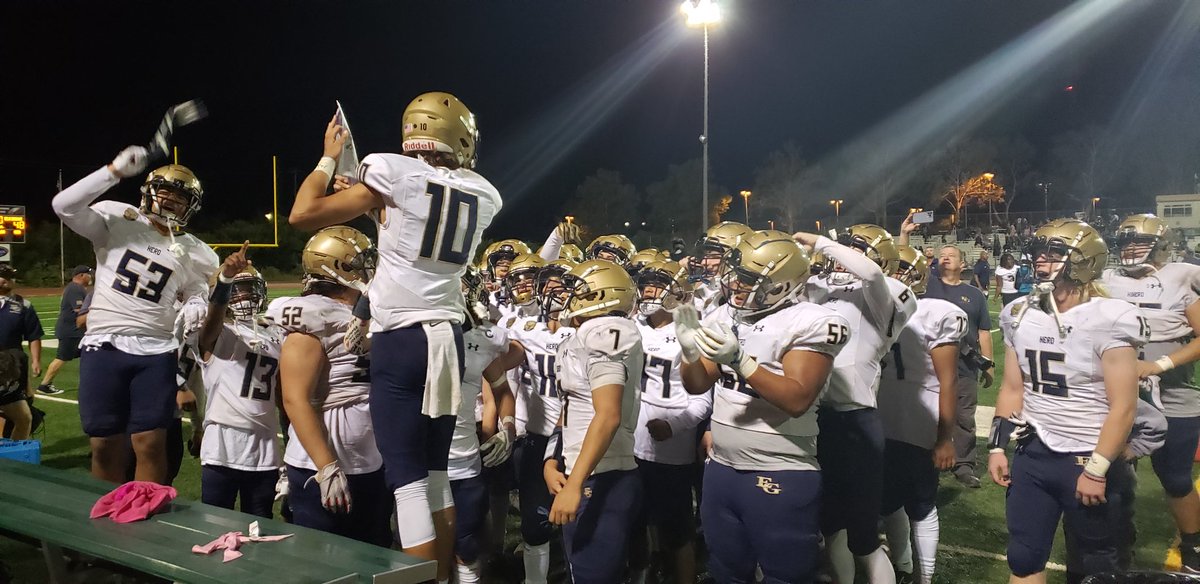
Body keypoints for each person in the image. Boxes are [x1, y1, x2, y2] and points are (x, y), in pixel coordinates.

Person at [289, 92, 501, 580]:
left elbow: (302, 213)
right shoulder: (483, 192)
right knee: (435, 478)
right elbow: (422, 224)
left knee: (406, 484)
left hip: (402, 339)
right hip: (446, 336)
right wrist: (378, 208)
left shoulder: (390, 172)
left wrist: (327, 156)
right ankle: (445, 577)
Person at [678, 231, 850, 583]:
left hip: (780, 470)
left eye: (748, 280)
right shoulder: (724, 314)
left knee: (786, 575)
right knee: (726, 572)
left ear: (781, 284)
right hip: (721, 470)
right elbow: (697, 384)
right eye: (736, 275)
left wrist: (742, 360)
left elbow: (797, 399)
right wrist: (690, 353)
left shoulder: (811, 321)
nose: (736, 285)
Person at [989, 219, 1145, 581]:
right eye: (1040, 252)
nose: (1042, 260)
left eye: (1055, 252)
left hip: (1088, 455)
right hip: (1034, 451)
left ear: (1085, 261)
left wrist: (1096, 469)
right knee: (1023, 555)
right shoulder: (1020, 313)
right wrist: (998, 447)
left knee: (1096, 565)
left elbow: (1123, 406)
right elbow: (1013, 387)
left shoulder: (1110, 316)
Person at [53, 148, 219, 485]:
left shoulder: (197, 251)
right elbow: (63, 205)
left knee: (151, 443)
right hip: (105, 343)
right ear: (149, 191)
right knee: (103, 444)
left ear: (192, 207)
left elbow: (198, 287)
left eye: (181, 197)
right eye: (166, 191)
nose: (172, 200)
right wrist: (112, 170)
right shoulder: (118, 219)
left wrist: (198, 301)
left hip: (157, 350)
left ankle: (146, 512)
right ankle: (105, 513)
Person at [800, 225, 916, 584]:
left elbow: (871, 272)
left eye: (854, 249)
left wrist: (822, 242)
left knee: (864, 536)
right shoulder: (826, 289)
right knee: (831, 525)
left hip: (858, 422)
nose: (842, 255)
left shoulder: (891, 294)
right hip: (819, 419)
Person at [274, 226, 391, 546]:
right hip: (323, 466)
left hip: (370, 460)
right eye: (362, 261)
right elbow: (295, 399)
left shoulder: (364, 316)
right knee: (321, 561)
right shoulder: (313, 316)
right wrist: (326, 467)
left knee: (375, 556)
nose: (371, 268)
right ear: (339, 267)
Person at [1102, 214, 1200, 572]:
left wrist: (1159, 366)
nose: (1130, 249)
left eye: (1139, 241)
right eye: (1125, 242)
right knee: (1115, 474)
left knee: (1175, 478)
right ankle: (1119, 545)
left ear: (1161, 243)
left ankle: (1194, 548)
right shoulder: (1107, 279)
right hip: (1117, 396)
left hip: (1173, 396)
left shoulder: (1181, 276)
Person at [542, 259, 645, 584]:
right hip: (583, 471)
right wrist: (551, 459)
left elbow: (608, 413)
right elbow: (572, 408)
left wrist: (575, 485)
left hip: (601, 477)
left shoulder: (606, 331)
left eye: (576, 291)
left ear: (603, 296)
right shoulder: (581, 335)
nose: (565, 296)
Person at [878, 245, 967, 584]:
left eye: (900, 269)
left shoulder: (936, 312)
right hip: (884, 418)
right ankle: (902, 567)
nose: (894, 276)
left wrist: (945, 438)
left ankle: (924, 576)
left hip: (919, 422)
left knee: (922, 504)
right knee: (888, 501)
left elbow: (948, 380)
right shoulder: (876, 307)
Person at [631, 260, 713, 584]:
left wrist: (674, 426)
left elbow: (701, 398)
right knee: (636, 523)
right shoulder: (633, 324)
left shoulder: (691, 330)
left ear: (676, 292)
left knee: (678, 531)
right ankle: (647, 570)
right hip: (634, 443)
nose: (648, 291)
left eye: (657, 285)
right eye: (646, 284)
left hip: (673, 449)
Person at [902, 214, 993, 488]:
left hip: (964, 365)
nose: (945, 257)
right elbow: (904, 259)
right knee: (929, 412)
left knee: (964, 416)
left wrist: (987, 364)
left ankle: (964, 465)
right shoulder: (928, 284)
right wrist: (904, 233)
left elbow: (983, 331)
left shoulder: (974, 295)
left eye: (951, 255)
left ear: (962, 263)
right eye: (942, 254)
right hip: (927, 365)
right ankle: (933, 455)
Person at [193, 246, 283, 519]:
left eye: (251, 289)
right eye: (238, 289)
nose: (246, 296)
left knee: (260, 528)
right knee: (215, 525)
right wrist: (225, 281)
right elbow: (212, 323)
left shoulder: (276, 334)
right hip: (222, 444)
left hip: (265, 445)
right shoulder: (219, 334)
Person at [0, 265, 43, 441]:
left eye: (10, 277)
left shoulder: (23, 305)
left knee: (24, 417)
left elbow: (34, 335)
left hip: (12, 367)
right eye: (3, 276)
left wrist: (36, 361)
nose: (8, 280)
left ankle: (16, 458)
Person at [37, 265, 92, 395]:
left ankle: (90, 382)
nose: (91, 277)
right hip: (71, 331)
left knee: (89, 355)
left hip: (75, 330)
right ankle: (44, 384)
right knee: (62, 357)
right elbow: (79, 311)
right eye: (89, 274)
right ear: (81, 275)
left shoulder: (76, 288)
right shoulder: (75, 289)